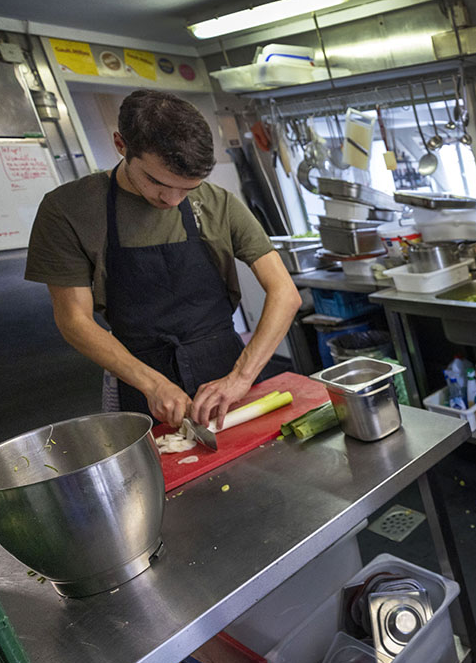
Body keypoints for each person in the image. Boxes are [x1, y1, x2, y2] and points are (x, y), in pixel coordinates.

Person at [26, 90, 301, 429]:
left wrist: (241, 377)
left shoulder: (218, 203)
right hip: (140, 379)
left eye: (187, 188)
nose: (172, 200)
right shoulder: (68, 210)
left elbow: (285, 292)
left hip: (227, 373)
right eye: (156, 181)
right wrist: (152, 383)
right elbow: (74, 319)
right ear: (121, 144)